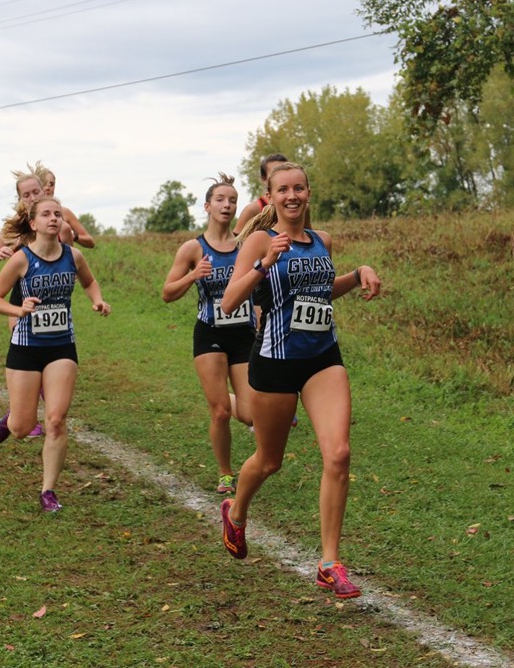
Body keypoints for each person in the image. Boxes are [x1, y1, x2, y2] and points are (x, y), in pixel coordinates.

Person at [218, 162, 381, 599]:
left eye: (299, 188)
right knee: (269, 461)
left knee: (339, 454)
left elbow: (320, 292)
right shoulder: (259, 240)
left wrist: (357, 274)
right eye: (283, 190)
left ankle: (329, 563)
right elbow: (230, 301)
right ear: (270, 197)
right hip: (275, 360)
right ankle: (236, 511)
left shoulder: (322, 240)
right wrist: (264, 263)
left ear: (309, 193)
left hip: (322, 358)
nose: (292, 196)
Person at [0, 196, 110, 512]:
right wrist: (19, 309)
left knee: (55, 419)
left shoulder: (74, 256)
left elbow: (90, 282)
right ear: (33, 223)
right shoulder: (21, 259)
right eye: (46, 214)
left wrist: (97, 300)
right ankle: (9, 421)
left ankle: (48, 491)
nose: (54, 218)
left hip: (61, 347)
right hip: (25, 348)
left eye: (57, 214)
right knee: (22, 428)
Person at [162, 174, 256, 494]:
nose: (227, 205)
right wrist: (192, 276)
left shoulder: (247, 244)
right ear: (207, 206)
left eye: (232, 200)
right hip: (210, 334)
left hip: (243, 334)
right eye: (220, 200)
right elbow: (167, 293)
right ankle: (226, 473)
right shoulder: (193, 248)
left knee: (249, 413)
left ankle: (225, 397)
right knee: (220, 413)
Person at [38, 163, 95, 248]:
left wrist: (73, 236)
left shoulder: (64, 212)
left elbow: (90, 242)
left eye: (51, 184)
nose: (47, 188)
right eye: (43, 183)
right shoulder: (27, 215)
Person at [233, 153, 288, 235]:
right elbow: (236, 240)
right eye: (275, 174)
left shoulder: (298, 207)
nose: (281, 178)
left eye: (285, 173)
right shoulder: (252, 210)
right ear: (263, 178)